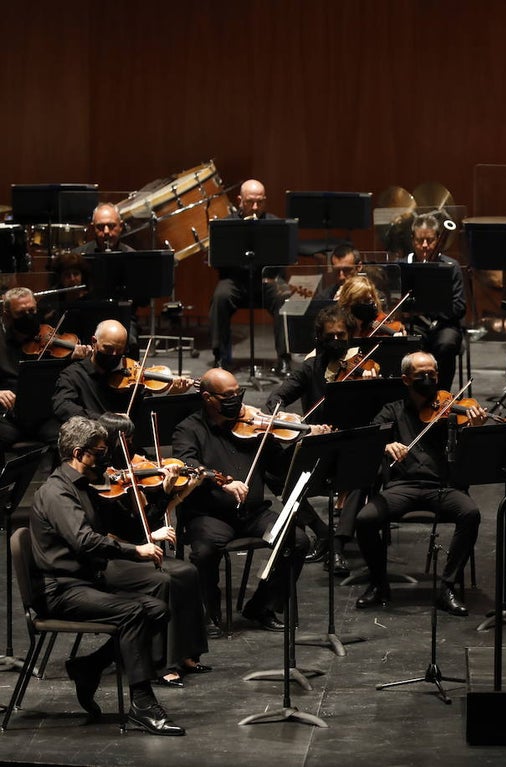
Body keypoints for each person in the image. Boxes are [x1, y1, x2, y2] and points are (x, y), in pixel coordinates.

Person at [27, 416, 184, 735]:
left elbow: (127, 526)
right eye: (99, 452)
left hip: (86, 581)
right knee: (132, 613)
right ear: (77, 452)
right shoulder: (57, 492)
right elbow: (83, 539)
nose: (106, 457)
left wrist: (159, 508)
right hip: (61, 590)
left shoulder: (89, 484)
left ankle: (89, 666)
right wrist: (135, 552)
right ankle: (142, 706)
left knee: (157, 610)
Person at [172, 368, 309, 635]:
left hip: (253, 514)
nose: (237, 400)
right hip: (209, 515)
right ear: (208, 398)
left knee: (298, 540)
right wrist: (222, 481)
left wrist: (301, 444)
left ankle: (261, 606)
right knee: (204, 551)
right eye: (228, 396)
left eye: (238, 393)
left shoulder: (254, 426)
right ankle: (208, 613)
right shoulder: (189, 429)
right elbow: (186, 464)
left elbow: (279, 468)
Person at [352, 351, 485, 616]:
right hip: (403, 487)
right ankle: (379, 584)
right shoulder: (392, 410)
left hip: (443, 486)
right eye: (421, 375)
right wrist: (385, 444)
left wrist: (475, 428)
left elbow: (471, 455)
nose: (428, 378)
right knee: (365, 519)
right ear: (405, 379)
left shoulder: (450, 411)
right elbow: (368, 439)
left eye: (432, 374)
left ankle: (447, 587)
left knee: (470, 514)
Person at [92, 412, 210, 688]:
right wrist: (155, 525)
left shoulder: (132, 473)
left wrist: (171, 492)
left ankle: (187, 655)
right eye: (127, 440)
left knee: (187, 571)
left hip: (134, 549)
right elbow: (130, 531)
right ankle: (160, 664)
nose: (133, 447)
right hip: (112, 556)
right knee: (164, 579)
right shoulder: (101, 480)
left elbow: (146, 519)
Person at [265, 304, 372, 572]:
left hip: (350, 443)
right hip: (317, 444)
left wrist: (371, 385)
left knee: (362, 470)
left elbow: (381, 410)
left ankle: (337, 547)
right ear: (319, 338)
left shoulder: (362, 367)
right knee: (275, 472)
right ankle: (322, 531)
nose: (336, 341)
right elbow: (276, 398)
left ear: (350, 336)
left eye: (341, 336)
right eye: (330, 336)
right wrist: (294, 424)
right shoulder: (310, 368)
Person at [208, 179, 290, 375]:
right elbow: (217, 261)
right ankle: (221, 356)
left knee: (283, 297)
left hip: (266, 281)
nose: (255, 207)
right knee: (220, 297)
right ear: (240, 200)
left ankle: (285, 358)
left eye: (260, 202)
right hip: (235, 281)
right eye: (250, 202)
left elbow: (283, 260)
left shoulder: (274, 224)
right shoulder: (226, 225)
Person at [0, 287, 91, 455]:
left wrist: (75, 359)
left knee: (72, 441)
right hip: (8, 416)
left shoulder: (48, 338)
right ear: (6, 315)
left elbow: (65, 380)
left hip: (43, 415)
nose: (29, 316)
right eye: (21, 313)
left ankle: (61, 481)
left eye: (32, 310)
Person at [52, 319, 195, 423]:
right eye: (108, 349)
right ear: (94, 342)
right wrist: (104, 420)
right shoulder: (73, 375)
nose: (114, 355)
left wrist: (171, 395)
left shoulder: (133, 378)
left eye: (120, 350)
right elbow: (62, 407)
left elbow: (147, 416)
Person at [404, 214, 466, 387]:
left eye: (430, 240)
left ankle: (441, 394)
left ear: (438, 239)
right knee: (406, 342)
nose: (425, 246)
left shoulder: (451, 267)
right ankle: (412, 394)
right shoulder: (403, 265)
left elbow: (459, 307)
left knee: (446, 343)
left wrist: (430, 307)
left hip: (445, 325)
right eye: (420, 240)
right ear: (412, 239)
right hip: (414, 324)